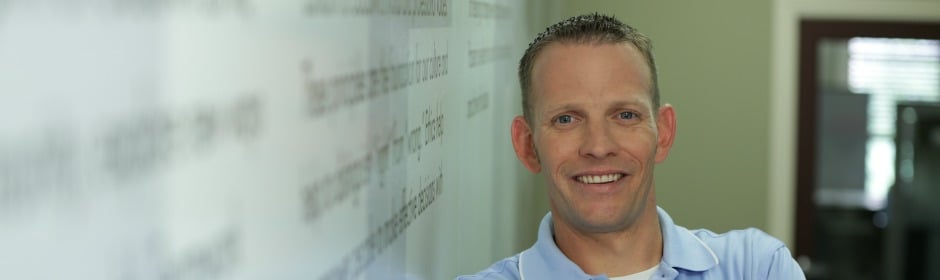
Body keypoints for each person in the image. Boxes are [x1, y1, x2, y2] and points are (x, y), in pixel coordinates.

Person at [457, 13, 805, 280]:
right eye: (566, 119)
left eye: (625, 115)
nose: (598, 146)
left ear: (664, 133)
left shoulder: (756, 267)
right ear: (527, 145)